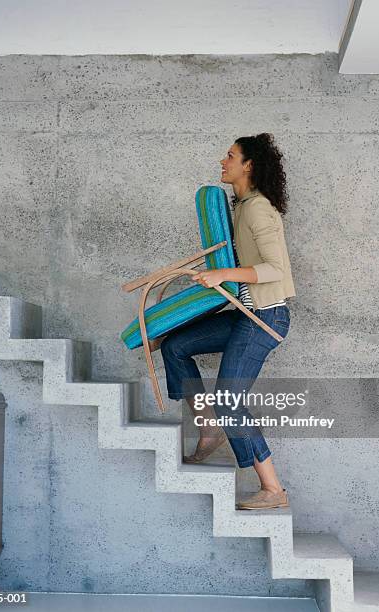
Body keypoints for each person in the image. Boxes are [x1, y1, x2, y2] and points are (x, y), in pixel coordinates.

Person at [160, 133, 296, 510]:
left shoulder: (258, 209)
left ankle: (273, 489)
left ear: (248, 165)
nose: (223, 161)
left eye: (230, 156)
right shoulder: (242, 206)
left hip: (266, 318)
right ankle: (209, 428)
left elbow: (274, 269)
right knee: (175, 346)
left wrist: (223, 276)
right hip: (247, 314)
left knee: (230, 401)